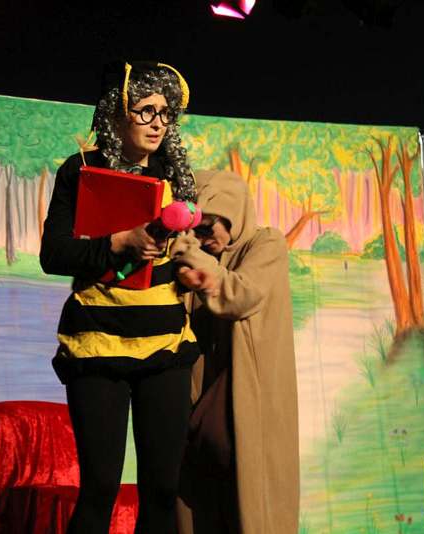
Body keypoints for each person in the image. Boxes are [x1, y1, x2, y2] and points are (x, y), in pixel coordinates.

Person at [40, 61, 214, 534]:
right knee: (100, 488)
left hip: (165, 345)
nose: (158, 123)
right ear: (117, 113)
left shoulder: (173, 176)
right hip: (98, 345)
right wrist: (119, 242)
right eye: (145, 111)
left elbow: (181, 250)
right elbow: (53, 254)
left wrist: (192, 268)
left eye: (165, 113)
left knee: (161, 490)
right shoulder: (82, 170)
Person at [169, 169, 300, 533]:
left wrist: (193, 258)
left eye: (209, 227)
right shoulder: (194, 255)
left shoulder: (266, 244)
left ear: (233, 214)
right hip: (200, 403)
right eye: (196, 229)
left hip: (246, 400)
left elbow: (240, 295)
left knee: (250, 508)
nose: (203, 238)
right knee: (197, 509)